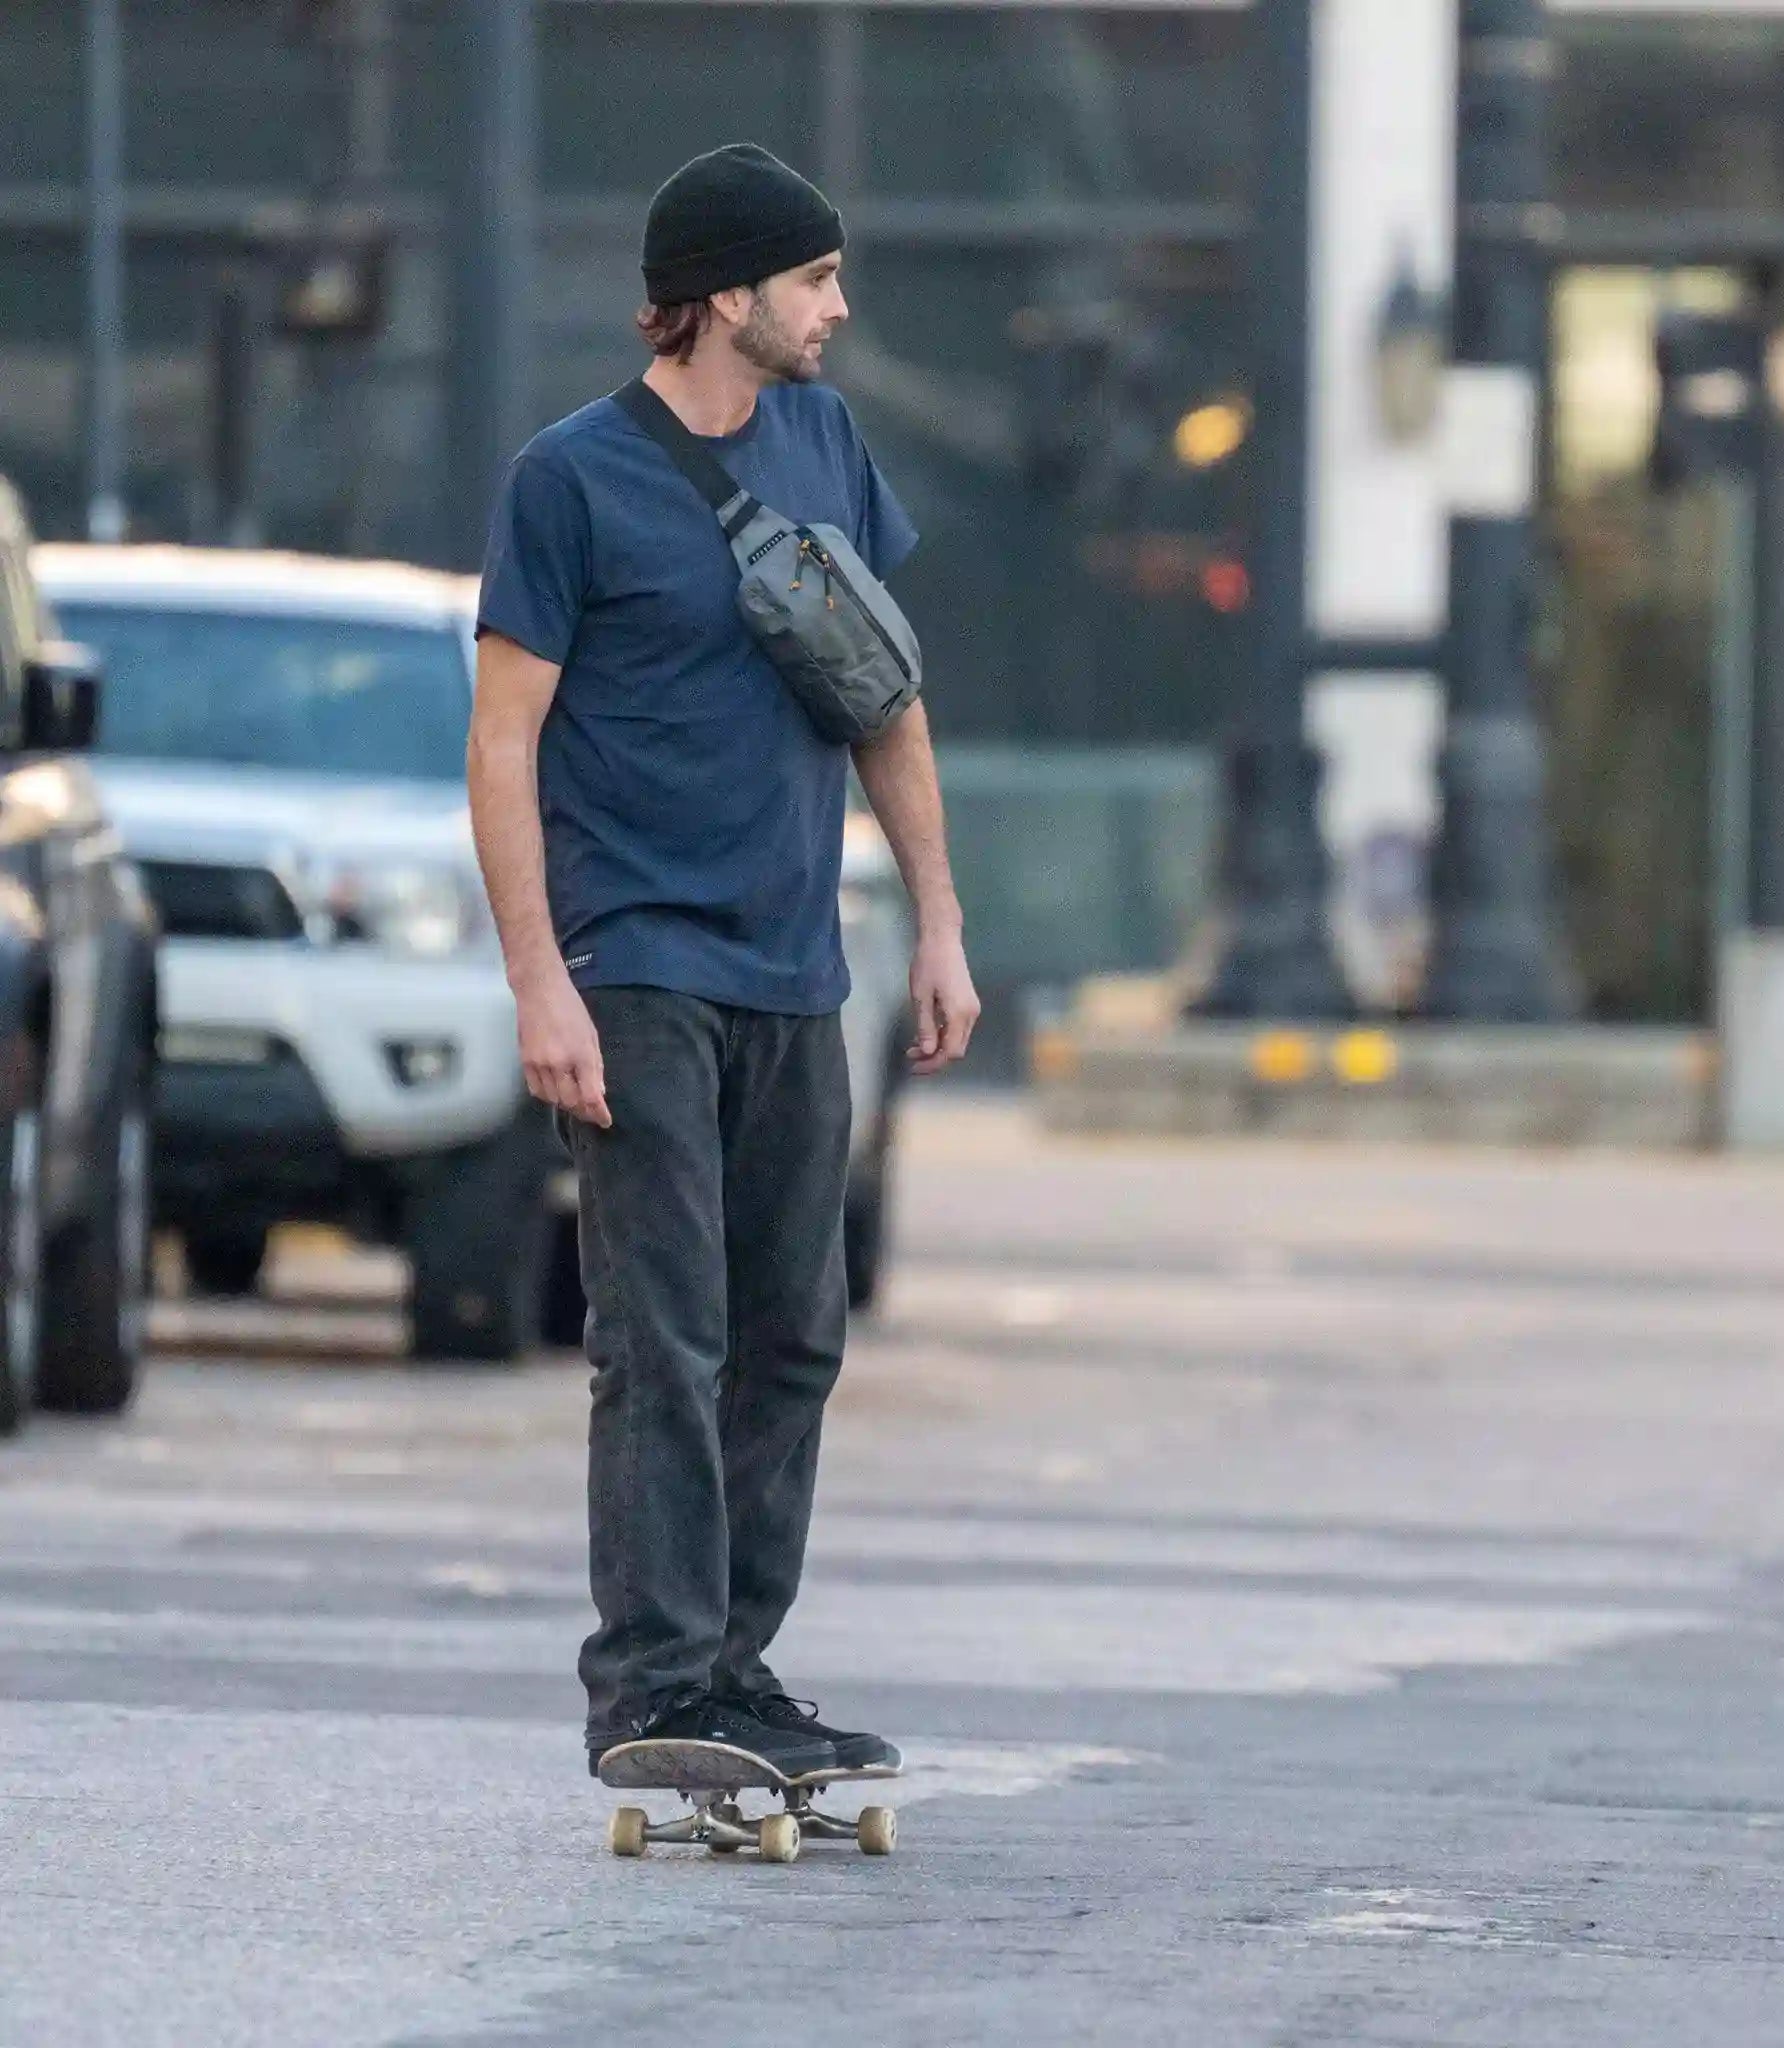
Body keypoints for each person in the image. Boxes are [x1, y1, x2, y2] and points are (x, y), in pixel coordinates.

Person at [467, 143, 979, 1780]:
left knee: (793, 1334)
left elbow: (882, 697)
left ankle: (734, 1666)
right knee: (663, 1332)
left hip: (792, 964)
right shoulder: (570, 480)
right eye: (817, 279)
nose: (840, 307)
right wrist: (540, 976)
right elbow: (501, 743)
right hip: (635, 963)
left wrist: (943, 926)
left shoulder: (826, 441)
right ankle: (654, 1683)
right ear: (727, 296)